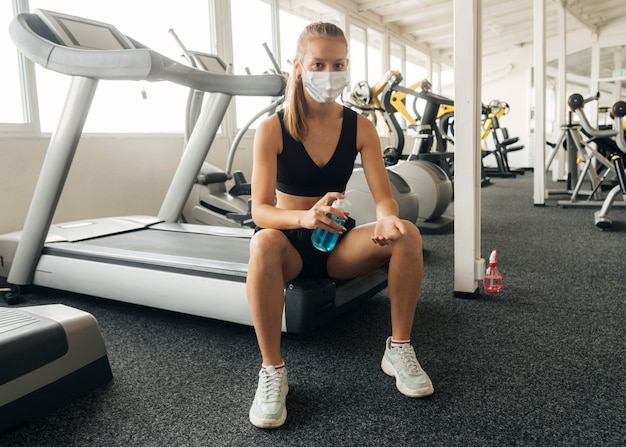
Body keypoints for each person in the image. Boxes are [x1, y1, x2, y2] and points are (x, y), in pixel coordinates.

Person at [246, 21, 433, 429]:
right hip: (287, 242)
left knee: (407, 236)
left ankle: (398, 348)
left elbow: (384, 196)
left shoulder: (360, 126)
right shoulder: (272, 129)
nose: (329, 74)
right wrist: (303, 215)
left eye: (338, 64)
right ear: (298, 66)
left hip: (335, 243)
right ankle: (272, 371)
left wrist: (388, 218)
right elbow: (260, 211)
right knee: (261, 245)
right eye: (318, 63)